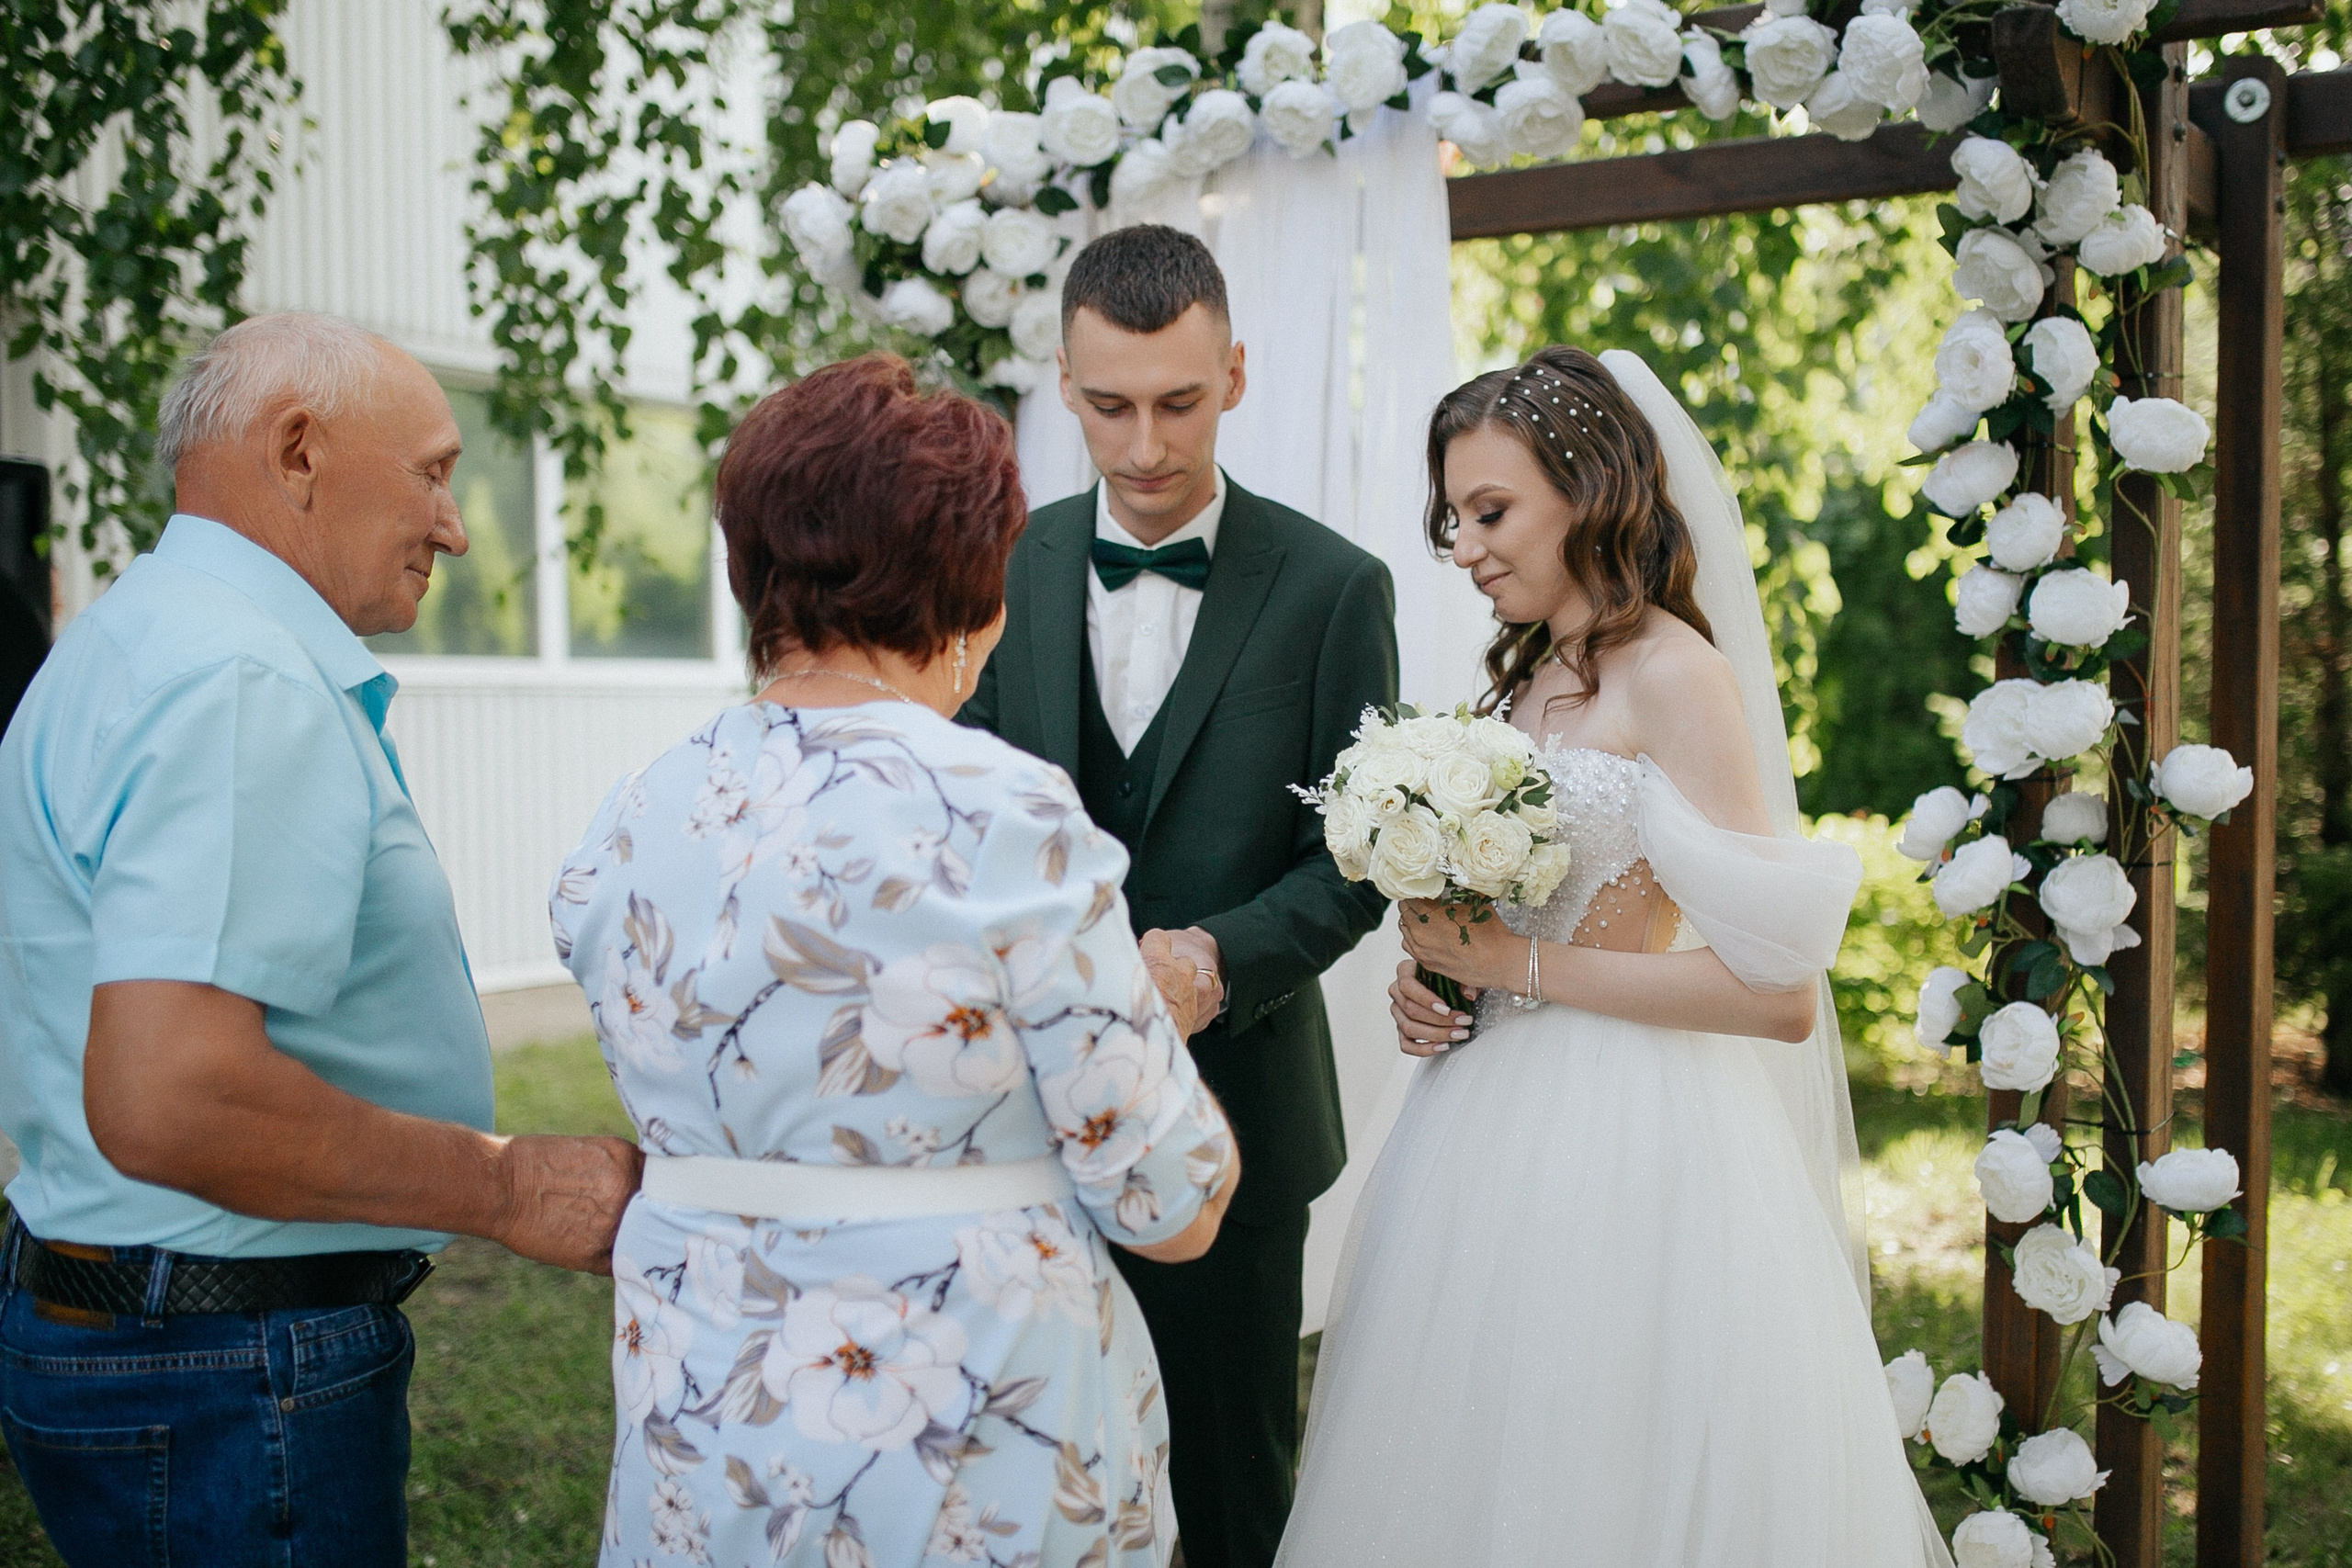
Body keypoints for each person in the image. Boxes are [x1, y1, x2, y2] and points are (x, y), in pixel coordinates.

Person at [554, 353, 1240, 1568]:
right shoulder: (1001, 813)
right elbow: (1167, 1203)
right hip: (970, 1453)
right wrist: (1150, 1014)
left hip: (707, 1458)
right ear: (970, 590)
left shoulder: (627, 817)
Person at [1275, 347, 1952, 1567]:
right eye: (1452, 517)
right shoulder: (1521, 685)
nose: (1466, 546)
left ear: (1588, 491)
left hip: (1635, 1137)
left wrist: (1513, 971)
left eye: (1492, 511)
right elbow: (1514, 921)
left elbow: (1779, 995)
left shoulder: (1678, 675)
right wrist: (1434, 978)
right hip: (1480, 1121)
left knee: (1600, 1455)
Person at [0, 311, 642, 1568]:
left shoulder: (134, 638)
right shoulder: (242, 678)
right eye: (437, 473)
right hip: (227, 1375)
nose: (453, 527)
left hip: (147, 1337)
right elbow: (173, 1097)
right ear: (298, 452)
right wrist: (507, 1187)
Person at [957, 223, 1398, 1568]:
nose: (1145, 447)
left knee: (1225, 1489)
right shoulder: (997, 568)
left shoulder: (1333, 588)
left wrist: (1225, 956)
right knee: (1031, 1480)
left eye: (1178, 403)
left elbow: (1363, 855)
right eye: (1108, 407)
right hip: (1014, 1127)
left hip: (1240, 1124)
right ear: (1062, 385)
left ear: (1237, 375)